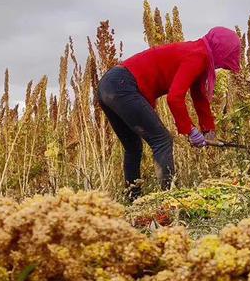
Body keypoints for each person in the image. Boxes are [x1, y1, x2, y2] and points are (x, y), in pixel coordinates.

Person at [97, 26, 241, 201]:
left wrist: (208, 130)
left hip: (109, 84)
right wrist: (189, 130)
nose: (222, 64)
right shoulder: (199, 55)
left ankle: (132, 199)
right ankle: (167, 199)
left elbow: (200, 98)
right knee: (162, 140)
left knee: (133, 147)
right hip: (123, 85)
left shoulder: (198, 51)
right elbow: (175, 98)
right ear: (223, 50)